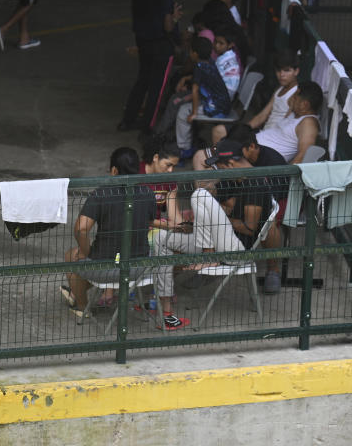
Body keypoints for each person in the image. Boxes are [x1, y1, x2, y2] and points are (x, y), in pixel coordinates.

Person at [60, 147, 162, 321]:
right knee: (89, 263)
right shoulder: (147, 194)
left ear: (114, 171)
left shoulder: (102, 194)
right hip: (139, 268)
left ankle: (81, 306)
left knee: (71, 255)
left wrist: (85, 251)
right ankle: (76, 293)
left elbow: (81, 229)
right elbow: (149, 221)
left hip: (107, 268)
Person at [149, 181, 245, 329]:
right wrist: (191, 226)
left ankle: (208, 257)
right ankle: (166, 313)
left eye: (207, 169)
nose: (204, 177)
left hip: (232, 250)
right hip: (209, 242)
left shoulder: (242, 183)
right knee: (160, 238)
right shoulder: (214, 190)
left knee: (198, 194)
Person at [206, 139, 282, 293]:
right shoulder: (231, 179)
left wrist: (218, 214)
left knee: (270, 224)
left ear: (230, 164)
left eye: (219, 165)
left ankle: (273, 269)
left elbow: (248, 227)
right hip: (225, 233)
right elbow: (219, 196)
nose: (217, 169)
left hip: (237, 244)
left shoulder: (256, 183)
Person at [119, 0, 183, 132]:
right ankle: (149, 125)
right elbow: (168, 26)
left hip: (144, 43)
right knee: (157, 87)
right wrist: (176, 19)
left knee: (142, 81)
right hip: (161, 46)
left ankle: (128, 119)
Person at [175, 36, 232, 157]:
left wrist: (194, 112)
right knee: (187, 108)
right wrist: (186, 78)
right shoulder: (210, 62)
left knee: (183, 111)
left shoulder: (198, 67)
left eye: (190, 51)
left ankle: (184, 149)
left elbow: (195, 90)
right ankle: (190, 142)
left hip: (216, 108)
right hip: (224, 104)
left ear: (195, 54)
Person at [256, 81, 322, 164]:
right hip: (255, 147)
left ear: (305, 105)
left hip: (263, 158)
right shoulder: (295, 113)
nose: (291, 99)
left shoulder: (308, 123)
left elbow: (303, 155)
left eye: (294, 97)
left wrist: (286, 174)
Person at [249, 50, 300, 132]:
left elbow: (287, 127)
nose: (281, 75)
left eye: (287, 70)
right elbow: (263, 115)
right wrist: (244, 129)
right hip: (265, 134)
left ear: (296, 71)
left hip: (274, 139)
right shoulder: (279, 89)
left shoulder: (296, 94)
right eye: (278, 70)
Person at [213, 26, 241, 98]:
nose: (216, 46)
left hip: (221, 99)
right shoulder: (223, 58)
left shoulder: (229, 63)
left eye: (221, 43)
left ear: (230, 45)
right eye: (215, 41)